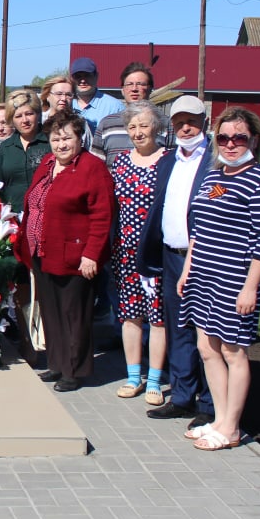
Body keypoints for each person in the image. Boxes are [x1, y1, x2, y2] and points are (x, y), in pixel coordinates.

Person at [179, 108, 260, 450]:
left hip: (234, 279)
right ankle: (219, 418)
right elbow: (198, 229)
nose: (231, 144)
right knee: (207, 348)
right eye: (223, 138)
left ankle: (232, 427)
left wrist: (251, 286)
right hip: (203, 275)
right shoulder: (214, 176)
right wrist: (187, 269)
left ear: (253, 139)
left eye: (239, 137)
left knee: (233, 350)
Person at [15, 110, 114, 392]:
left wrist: (92, 254)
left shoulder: (92, 167)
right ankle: (57, 363)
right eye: (56, 139)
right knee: (52, 311)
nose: (61, 144)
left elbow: (102, 214)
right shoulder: (47, 163)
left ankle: (74, 370)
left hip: (76, 255)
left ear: (79, 138)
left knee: (74, 313)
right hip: (43, 251)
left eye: (67, 138)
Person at [139, 95, 216, 431]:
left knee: (209, 331)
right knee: (178, 326)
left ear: (205, 123)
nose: (186, 127)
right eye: (180, 121)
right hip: (172, 255)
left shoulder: (216, 159)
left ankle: (212, 403)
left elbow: (216, 201)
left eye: (193, 121)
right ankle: (183, 395)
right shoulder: (170, 161)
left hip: (206, 258)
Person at [110, 100, 168, 404]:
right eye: (132, 127)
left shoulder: (168, 161)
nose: (137, 132)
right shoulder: (121, 161)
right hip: (125, 251)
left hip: (156, 253)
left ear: (156, 126)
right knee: (130, 316)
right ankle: (134, 377)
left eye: (143, 125)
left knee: (158, 317)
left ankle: (155, 380)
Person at [0, 88, 48, 212]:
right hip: (13, 216)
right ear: (11, 120)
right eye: (18, 116)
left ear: (38, 114)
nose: (25, 120)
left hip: (46, 214)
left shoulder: (51, 143)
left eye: (29, 114)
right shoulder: (6, 148)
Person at [93, 62, 158, 164]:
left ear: (150, 89)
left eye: (140, 84)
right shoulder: (107, 124)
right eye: (129, 84)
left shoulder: (165, 123)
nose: (134, 89)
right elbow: (95, 165)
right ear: (122, 90)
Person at [69, 56, 123, 133]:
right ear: (71, 79)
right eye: (78, 76)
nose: (83, 80)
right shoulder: (66, 104)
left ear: (96, 76)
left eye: (87, 75)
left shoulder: (114, 107)